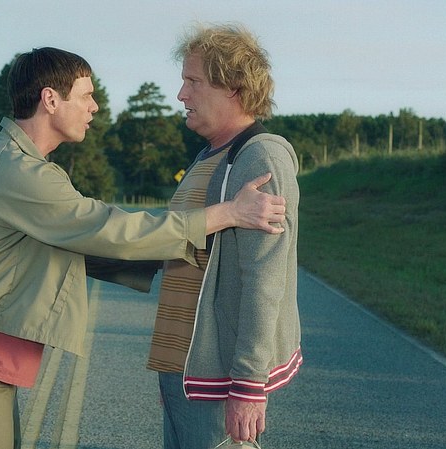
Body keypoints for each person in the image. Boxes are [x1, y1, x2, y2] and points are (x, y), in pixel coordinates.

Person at [0, 46, 288, 449]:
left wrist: (164, 255)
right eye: (86, 96)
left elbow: (78, 244)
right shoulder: (16, 171)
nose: (94, 107)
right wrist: (226, 214)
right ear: (50, 100)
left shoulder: (21, 164)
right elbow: (107, 228)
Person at [146, 23, 302, 448]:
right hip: (185, 370)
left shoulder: (260, 157)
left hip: (218, 376)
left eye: (193, 81)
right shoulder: (208, 155)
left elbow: (265, 279)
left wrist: (249, 385)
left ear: (234, 87)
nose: (181, 94)